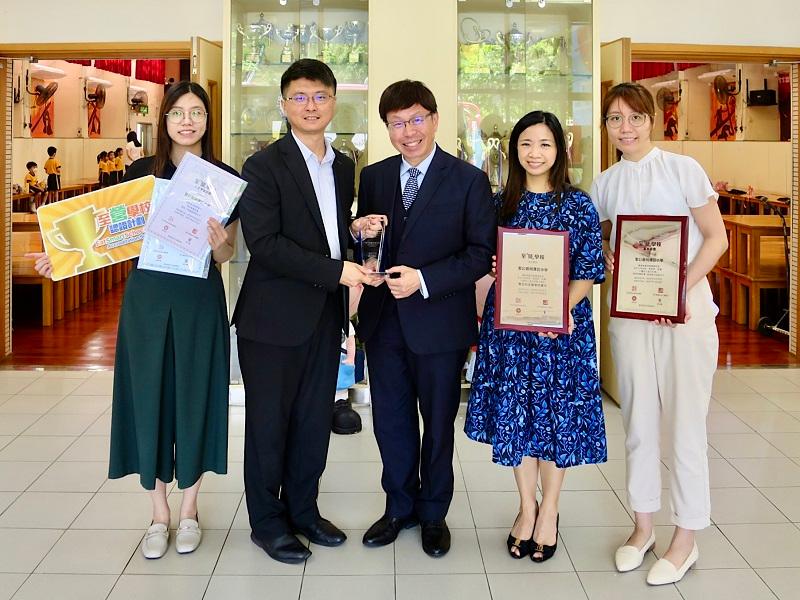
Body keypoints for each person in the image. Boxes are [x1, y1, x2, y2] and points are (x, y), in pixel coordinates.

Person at [27, 80, 239, 561]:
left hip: (199, 299)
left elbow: (226, 254)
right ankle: (158, 513)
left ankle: (190, 509)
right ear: (164, 121)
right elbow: (102, 234)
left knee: (195, 395)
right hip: (146, 299)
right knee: (150, 394)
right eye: (178, 113)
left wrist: (216, 242)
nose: (188, 120)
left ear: (208, 120)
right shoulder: (141, 173)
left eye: (197, 113)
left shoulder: (223, 178)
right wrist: (59, 259)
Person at [232, 58, 382, 565]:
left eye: (319, 96)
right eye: (299, 97)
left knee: (314, 421)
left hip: (323, 315)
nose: (310, 105)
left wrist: (354, 234)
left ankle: (303, 511)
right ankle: (267, 523)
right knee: (269, 426)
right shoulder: (263, 166)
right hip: (271, 321)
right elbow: (266, 245)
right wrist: (337, 270)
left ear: (334, 102)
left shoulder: (342, 165)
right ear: (284, 105)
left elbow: (327, 230)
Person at [590, 82, 727, 586]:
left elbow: (717, 238)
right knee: (640, 422)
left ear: (652, 119)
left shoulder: (683, 169)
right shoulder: (604, 183)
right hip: (630, 318)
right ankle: (642, 526)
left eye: (634, 117)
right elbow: (600, 239)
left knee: (686, 424)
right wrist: (605, 255)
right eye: (614, 119)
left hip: (685, 315)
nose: (624, 128)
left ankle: (685, 537)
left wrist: (679, 288)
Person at [355, 80, 495, 557]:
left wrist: (425, 280)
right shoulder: (373, 177)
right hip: (384, 321)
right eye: (397, 123)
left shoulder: (469, 180)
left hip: (439, 322)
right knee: (390, 421)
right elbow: (368, 242)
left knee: (437, 423)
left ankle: (433, 513)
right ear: (387, 128)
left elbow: (480, 255)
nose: (408, 131)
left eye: (416, 119)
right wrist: (360, 233)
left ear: (435, 119)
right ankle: (399, 507)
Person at [464, 111, 607, 562]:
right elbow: (483, 258)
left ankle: (552, 511)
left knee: (555, 420)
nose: (535, 153)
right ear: (514, 151)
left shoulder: (577, 204)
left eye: (545, 144)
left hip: (561, 333)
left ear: (559, 150)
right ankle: (527, 508)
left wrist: (554, 309)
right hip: (510, 333)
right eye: (526, 144)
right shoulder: (497, 203)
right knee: (518, 420)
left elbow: (588, 271)